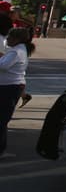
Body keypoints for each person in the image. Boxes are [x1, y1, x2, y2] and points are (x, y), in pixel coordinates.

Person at [0, 27, 34, 157]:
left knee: (2, 119)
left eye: (9, 37)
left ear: (17, 39)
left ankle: (1, 149)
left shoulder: (16, 52)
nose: (7, 39)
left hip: (9, 87)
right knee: (2, 118)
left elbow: (3, 66)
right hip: (9, 86)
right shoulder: (18, 50)